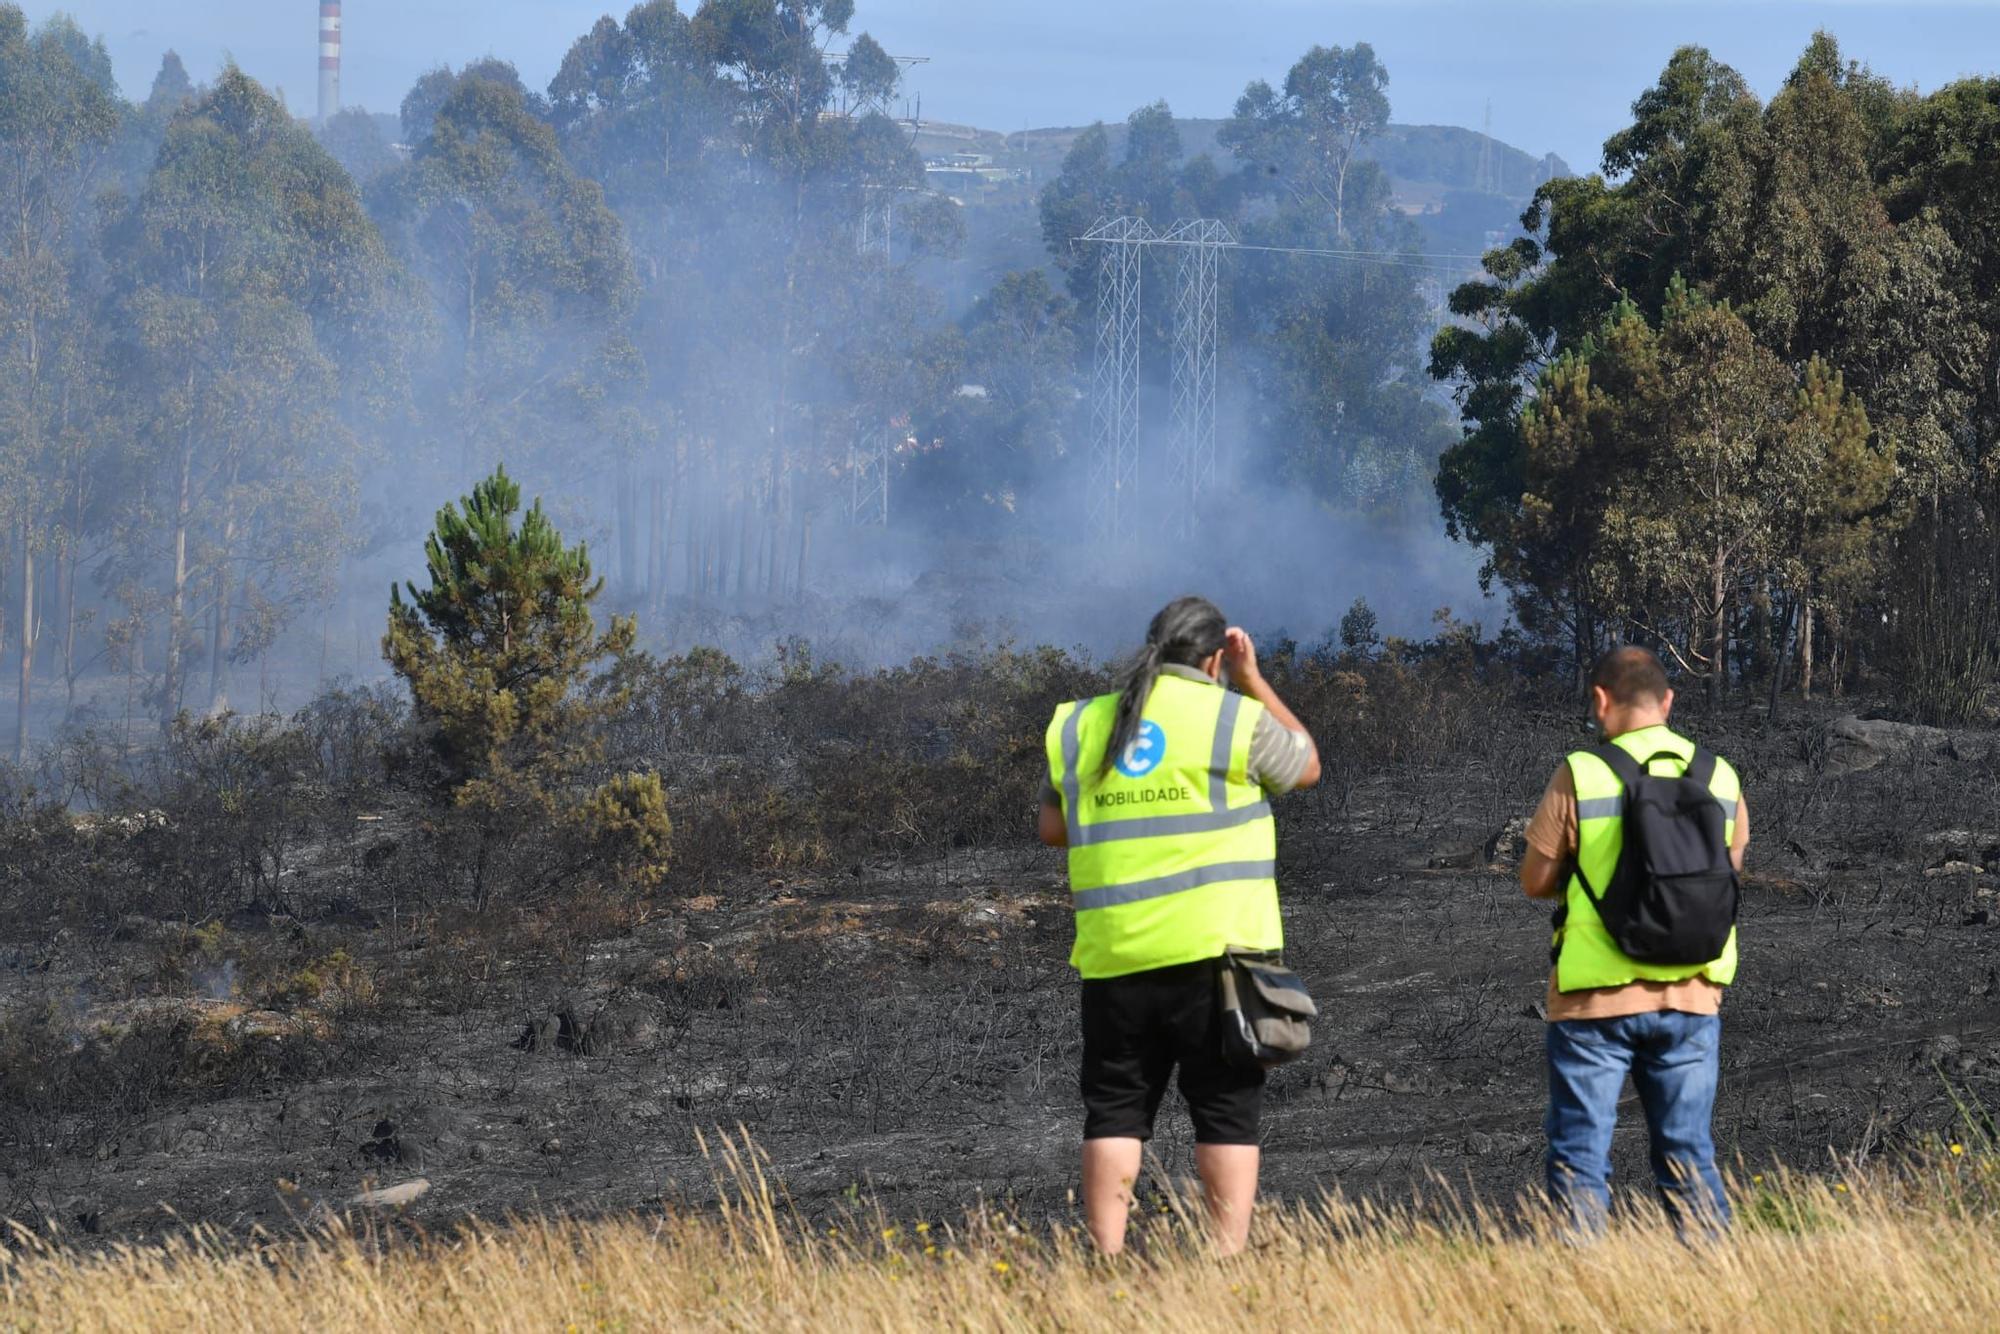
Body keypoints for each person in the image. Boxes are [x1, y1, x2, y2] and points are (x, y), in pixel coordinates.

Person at [1038, 595, 1320, 1256]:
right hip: (1216, 961)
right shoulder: (1232, 718)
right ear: (1217, 657)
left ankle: (1105, 1259)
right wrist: (1253, 680)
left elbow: (1053, 827)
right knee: (1225, 1111)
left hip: (1115, 958)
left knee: (1115, 1111)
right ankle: (1224, 1261)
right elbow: (1306, 765)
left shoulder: (1082, 725)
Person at [1518, 645, 1748, 1233]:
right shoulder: (1720, 775)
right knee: (1689, 1154)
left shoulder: (1582, 772)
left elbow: (1535, 880)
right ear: (1667, 701)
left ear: (1600, 700)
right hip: (1693, 994)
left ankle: (1581, 1299)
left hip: (1595, 998)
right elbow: (1730, 871)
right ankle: (1718, 1290)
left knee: (1579, 1156)